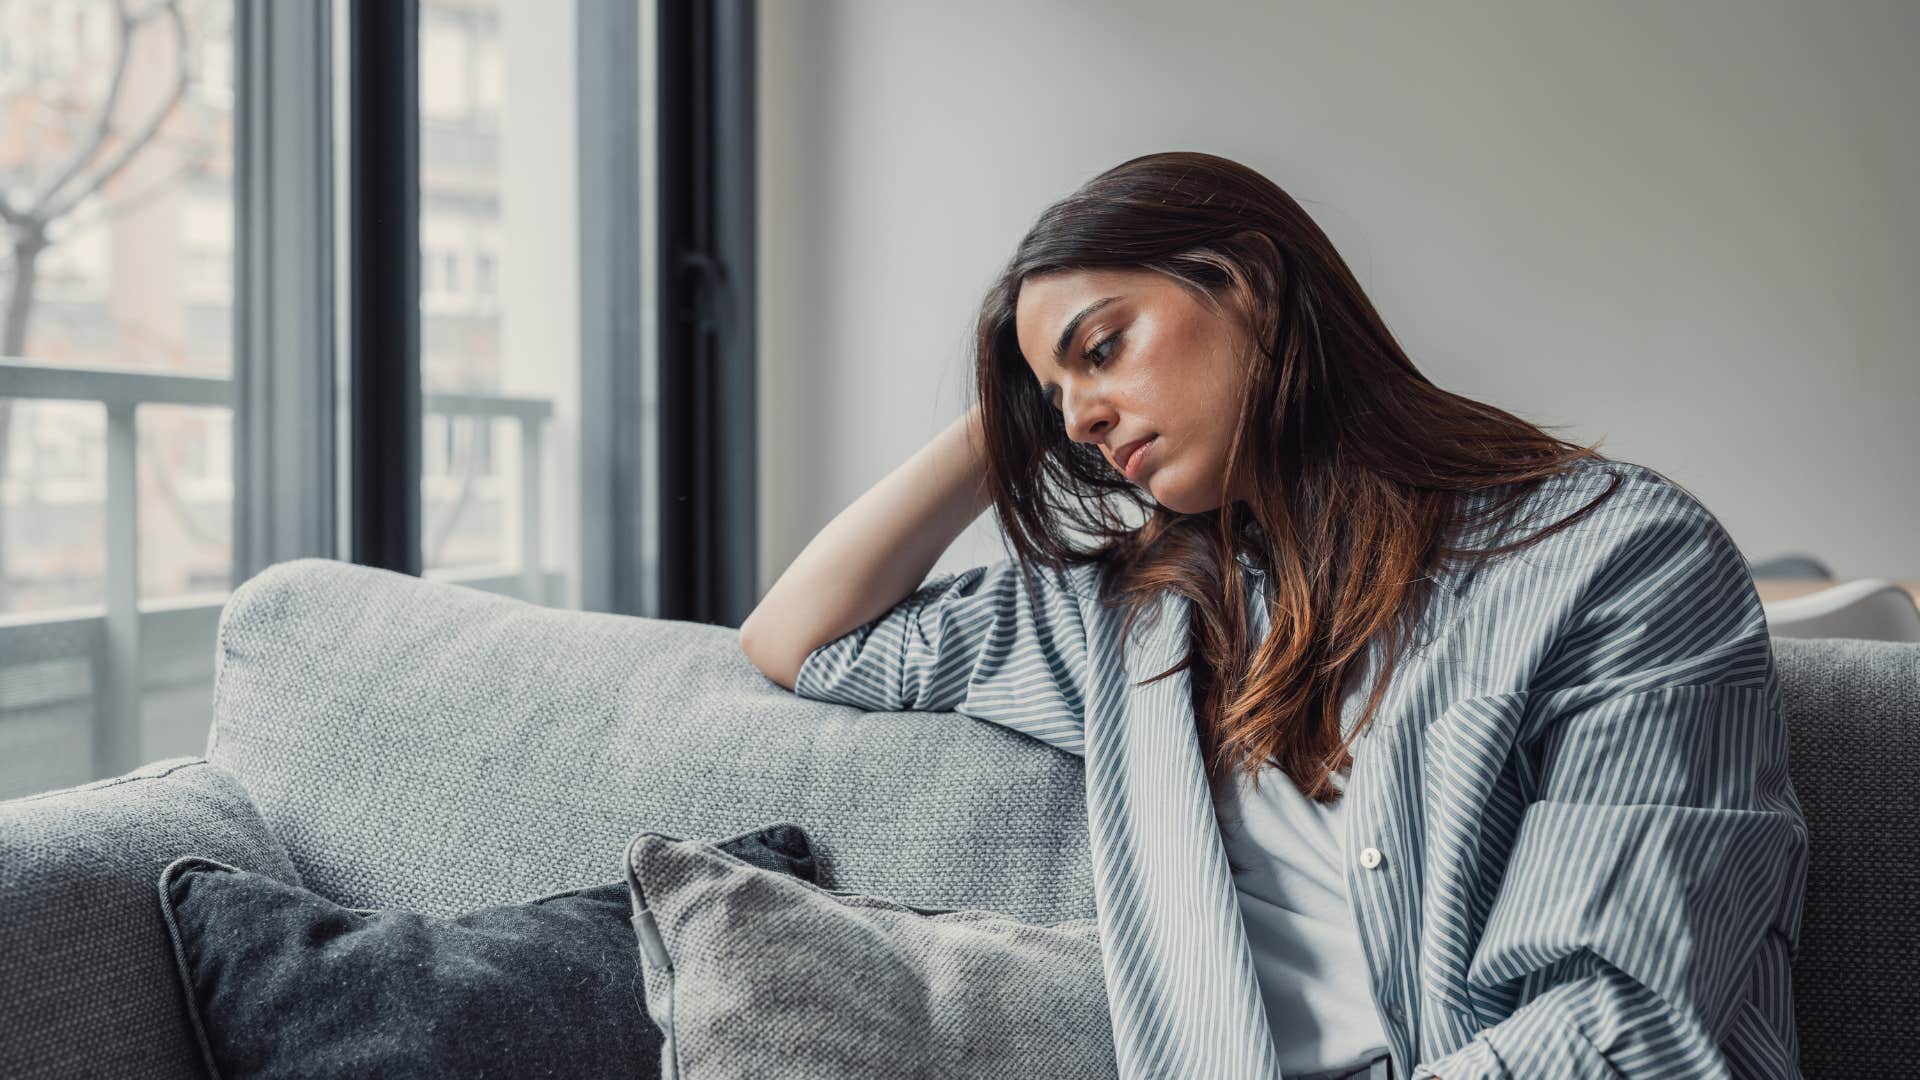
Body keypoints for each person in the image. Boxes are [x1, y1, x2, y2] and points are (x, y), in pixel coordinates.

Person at [739, 150, 1808, 1080]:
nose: (1079, 421)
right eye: (1056, 402)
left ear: (1247, 283)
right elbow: (798, 636)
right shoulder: (1135, 626)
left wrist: (1050, 360)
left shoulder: (1618, 558)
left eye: (1103, 348)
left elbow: (1619, 1024)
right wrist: (1017, 395)